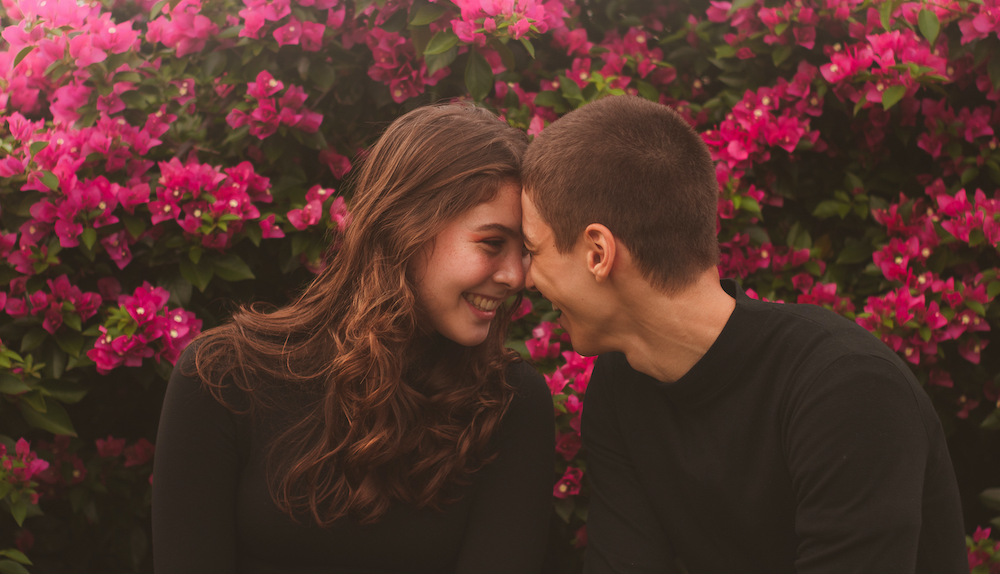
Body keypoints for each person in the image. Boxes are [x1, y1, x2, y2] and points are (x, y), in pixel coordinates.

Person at [520, 94, 967, 573]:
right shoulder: (621, 384)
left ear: (597, 253)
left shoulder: (847, 387)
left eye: (533, 250)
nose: (524, 278)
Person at [152, 103, 554, 574]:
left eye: (525, 251)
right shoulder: (225, 378)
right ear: (406, 227)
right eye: (492, 243)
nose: (516, 276)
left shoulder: (510, 403)